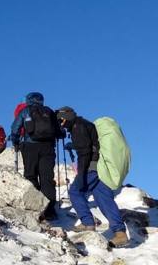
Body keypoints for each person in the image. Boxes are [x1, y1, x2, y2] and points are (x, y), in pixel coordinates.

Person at [56, 106, 129, 248]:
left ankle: (88, 223)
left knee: (75, 192)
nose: (61, 125)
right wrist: (73, 145)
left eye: (61, 121)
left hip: (91, 168)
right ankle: (120, 234)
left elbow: (85, 153)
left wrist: (82, 175)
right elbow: (90, 144)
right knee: (104, 199)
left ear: (67, 117)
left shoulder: (77, 127)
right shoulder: (85, 124)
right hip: (100, 167)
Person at [11, 92, 64, 221]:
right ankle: (50, 211)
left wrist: (15, 142)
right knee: (47, 178)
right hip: (47, 148)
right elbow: (58, 131)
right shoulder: (49, 111)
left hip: (29, 147)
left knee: (30, 175)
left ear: (28, 100)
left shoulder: (25, 111)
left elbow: (15, 128)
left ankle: (35, 207)